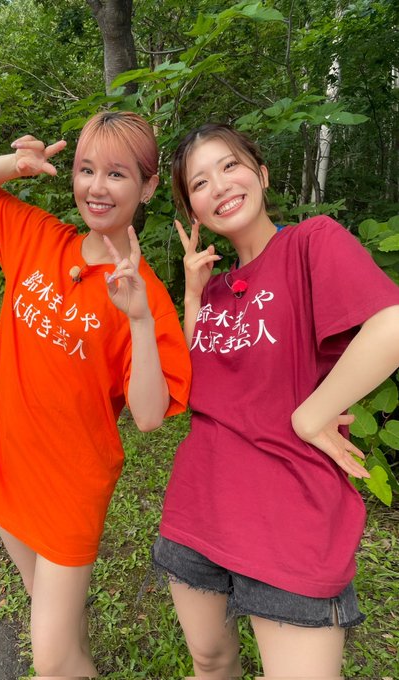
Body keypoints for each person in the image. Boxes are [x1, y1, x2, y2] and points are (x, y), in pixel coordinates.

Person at [152, 123, 399, 679]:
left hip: (290, 515)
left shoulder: (310, 242)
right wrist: (193, 294)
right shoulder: (217, 289)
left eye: (230, 166)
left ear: (262, 175)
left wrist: (311, 414)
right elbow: (197, 379)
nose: (219, 185)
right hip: (199, 504)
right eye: (199, 182)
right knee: (210, 661)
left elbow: (391, 325)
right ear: (192, 208)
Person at [0, 111, 191, 679]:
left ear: (148, 186)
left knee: (52, 661)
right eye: (86, 170)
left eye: (117, 173)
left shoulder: (147, 296)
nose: (97, 187)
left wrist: (138, 320)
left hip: (69, 486)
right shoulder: (38, 235)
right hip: (8, 462)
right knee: (49, 613)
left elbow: (149, 415)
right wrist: (17, 165)